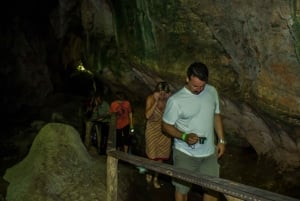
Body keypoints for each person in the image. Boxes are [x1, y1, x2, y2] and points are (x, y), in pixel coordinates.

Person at [162, 62, 226, 201]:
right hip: (185, 153)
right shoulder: (176, 101)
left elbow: (216, 115)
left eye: (202, 86)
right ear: (187, 78)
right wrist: (183, 136)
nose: (199, 89)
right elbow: (166, 126)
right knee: (182, 190)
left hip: (209, 153)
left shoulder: (212, 91)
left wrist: (221, 140)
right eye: (195, 86)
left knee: (212, 191)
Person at [144, 81, 172, 189]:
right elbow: (147, 115)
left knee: (161, 157)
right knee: (152, 156)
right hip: (152, 131)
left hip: (164, 133)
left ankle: (156, 177)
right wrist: (155, 102)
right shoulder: (151, 98)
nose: (162, 96)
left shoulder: (169, 101)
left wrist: (170, 100)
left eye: (165, 93)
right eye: (160, 93)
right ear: (156, 92)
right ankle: (149, 173)